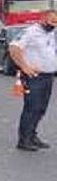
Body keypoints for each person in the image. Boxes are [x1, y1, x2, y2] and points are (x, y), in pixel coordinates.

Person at [8, 10, 57, 151]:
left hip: (48, 76)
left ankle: (32, 135)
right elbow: (14, 48)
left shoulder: (52, 33)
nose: (54, 25)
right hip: (34, 77)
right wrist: (24, 66)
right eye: (52, 22)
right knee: (32, 108)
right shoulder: (30, 32)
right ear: (43, 19)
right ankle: (24, 140)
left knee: (41, 109)